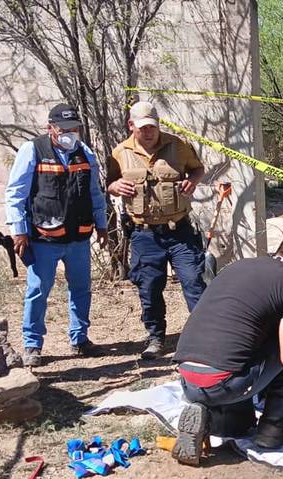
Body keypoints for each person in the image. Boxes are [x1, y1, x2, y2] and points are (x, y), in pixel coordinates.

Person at [171, 232, 283, 466]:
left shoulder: (236, 267)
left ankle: (212, 419)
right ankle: (276, 426)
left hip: (188, 379)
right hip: (225, 382)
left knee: (239, 427)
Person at [6, 104, 109, 367]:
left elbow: (95, 193)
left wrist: (102, 224)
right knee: (38, 291)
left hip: (78, 238)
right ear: (50, 128)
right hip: (44, 238)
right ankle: (32, 345)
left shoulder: (85, 153)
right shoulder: (33, 150)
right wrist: (19, 232)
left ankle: (80, 338)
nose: (70, 133)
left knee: (81, 289)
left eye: (74, 129)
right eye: (64, 129)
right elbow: (15, 193)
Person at [107, 101, 207, 360]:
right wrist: (116, 187)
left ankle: (205, 338)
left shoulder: (179, 146)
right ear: (131, 126)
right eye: (143, 127)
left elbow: (198, 169)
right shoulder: (119, 153)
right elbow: (108, 183)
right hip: (144, 234)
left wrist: (192, 182)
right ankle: (155, 338)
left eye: (152, 126)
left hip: (180, 231)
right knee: (149, 288)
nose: (149, 131)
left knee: (193, 283)